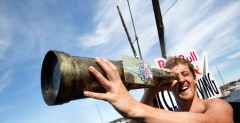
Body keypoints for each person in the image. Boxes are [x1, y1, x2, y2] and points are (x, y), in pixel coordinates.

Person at [83, 57, 233, 123]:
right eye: (175, 77)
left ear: (195, 78)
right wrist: (151, 90)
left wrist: (132, 106)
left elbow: (214, 121)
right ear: (168, 86)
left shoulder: (217, 105)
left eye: (185, 74)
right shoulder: (167, 116)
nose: (181, 80)